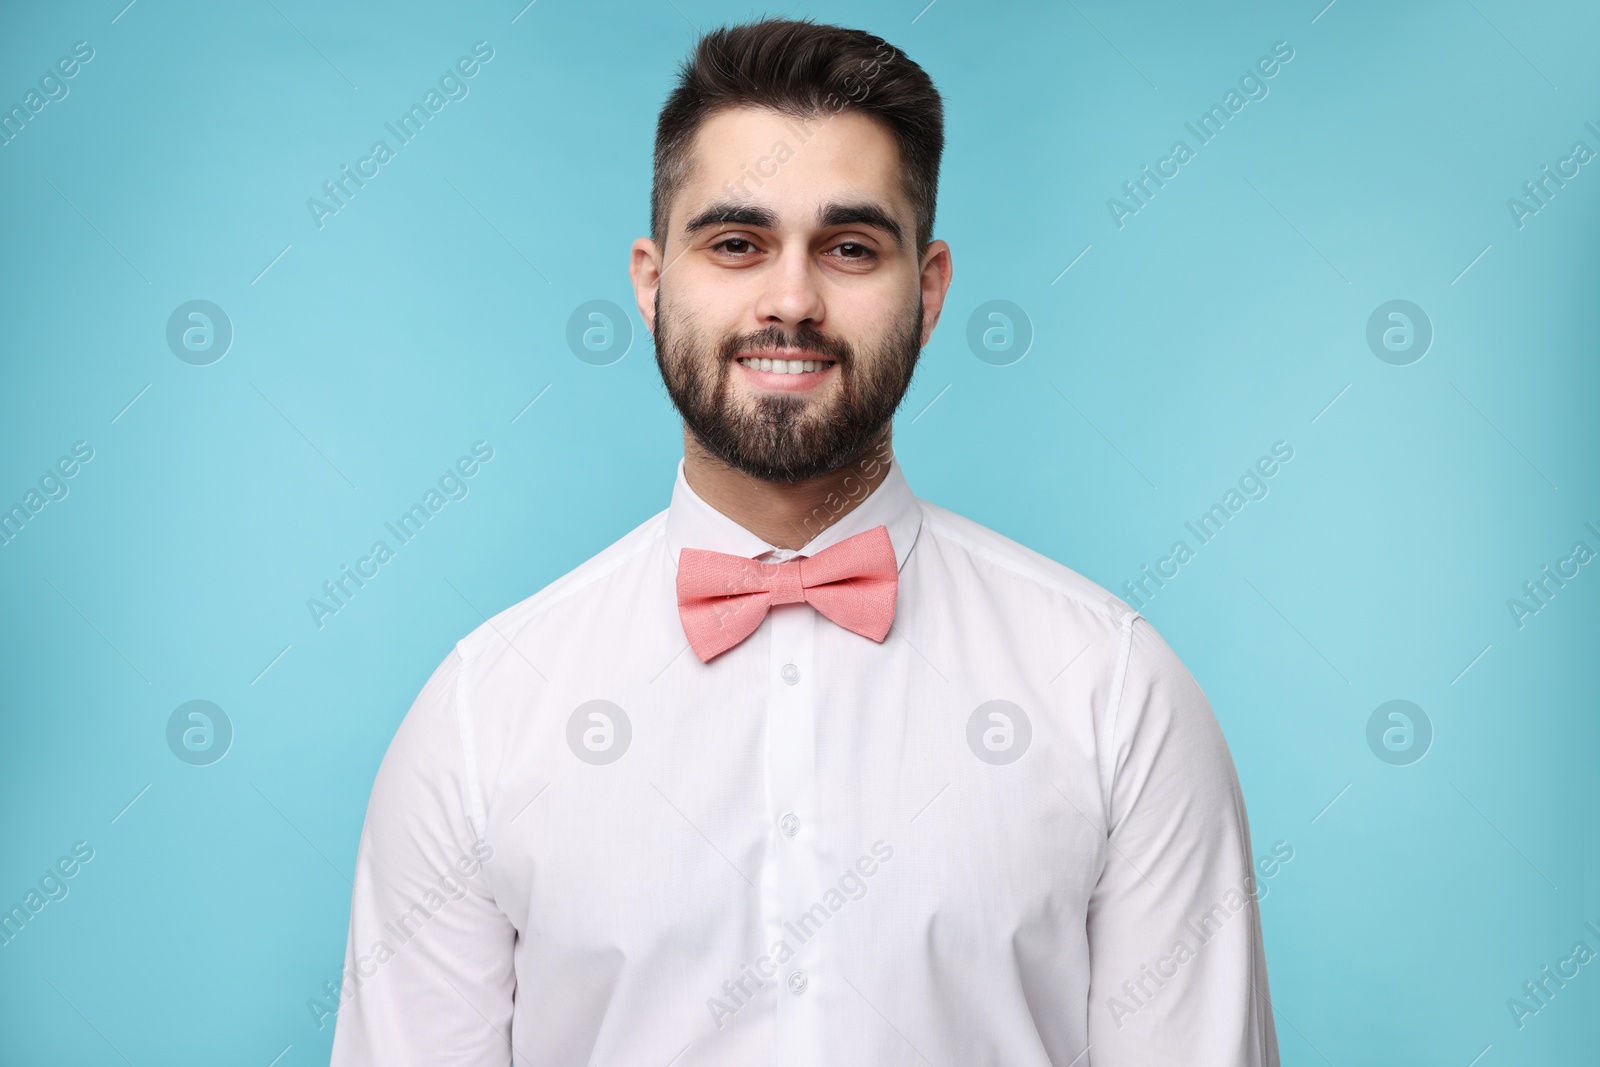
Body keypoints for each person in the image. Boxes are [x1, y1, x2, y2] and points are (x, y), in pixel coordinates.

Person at [330, 16, 1280, 1065]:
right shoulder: (480, 716)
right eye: (736, 243)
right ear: (651, 282)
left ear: (928, 290)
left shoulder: (1115, 692)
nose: (791, 300)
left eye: (850, 247)